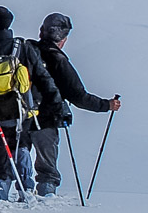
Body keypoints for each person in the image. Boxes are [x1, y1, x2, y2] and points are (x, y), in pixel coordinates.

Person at [0, 5, 54, 203]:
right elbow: (43, 78)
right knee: (21, 146)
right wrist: (54, 103)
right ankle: (26, 188)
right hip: (21, 111)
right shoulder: (23, 49)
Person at [29, 13, 121, 196]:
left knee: (14, 160)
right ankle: (44, 200)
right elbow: (78, 96)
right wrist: (106, 105)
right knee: (47, 168)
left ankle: (7, 198)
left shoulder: (26, 51)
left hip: (15, 114)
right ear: (62, 38)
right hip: (46, 117)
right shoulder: (58, 60)